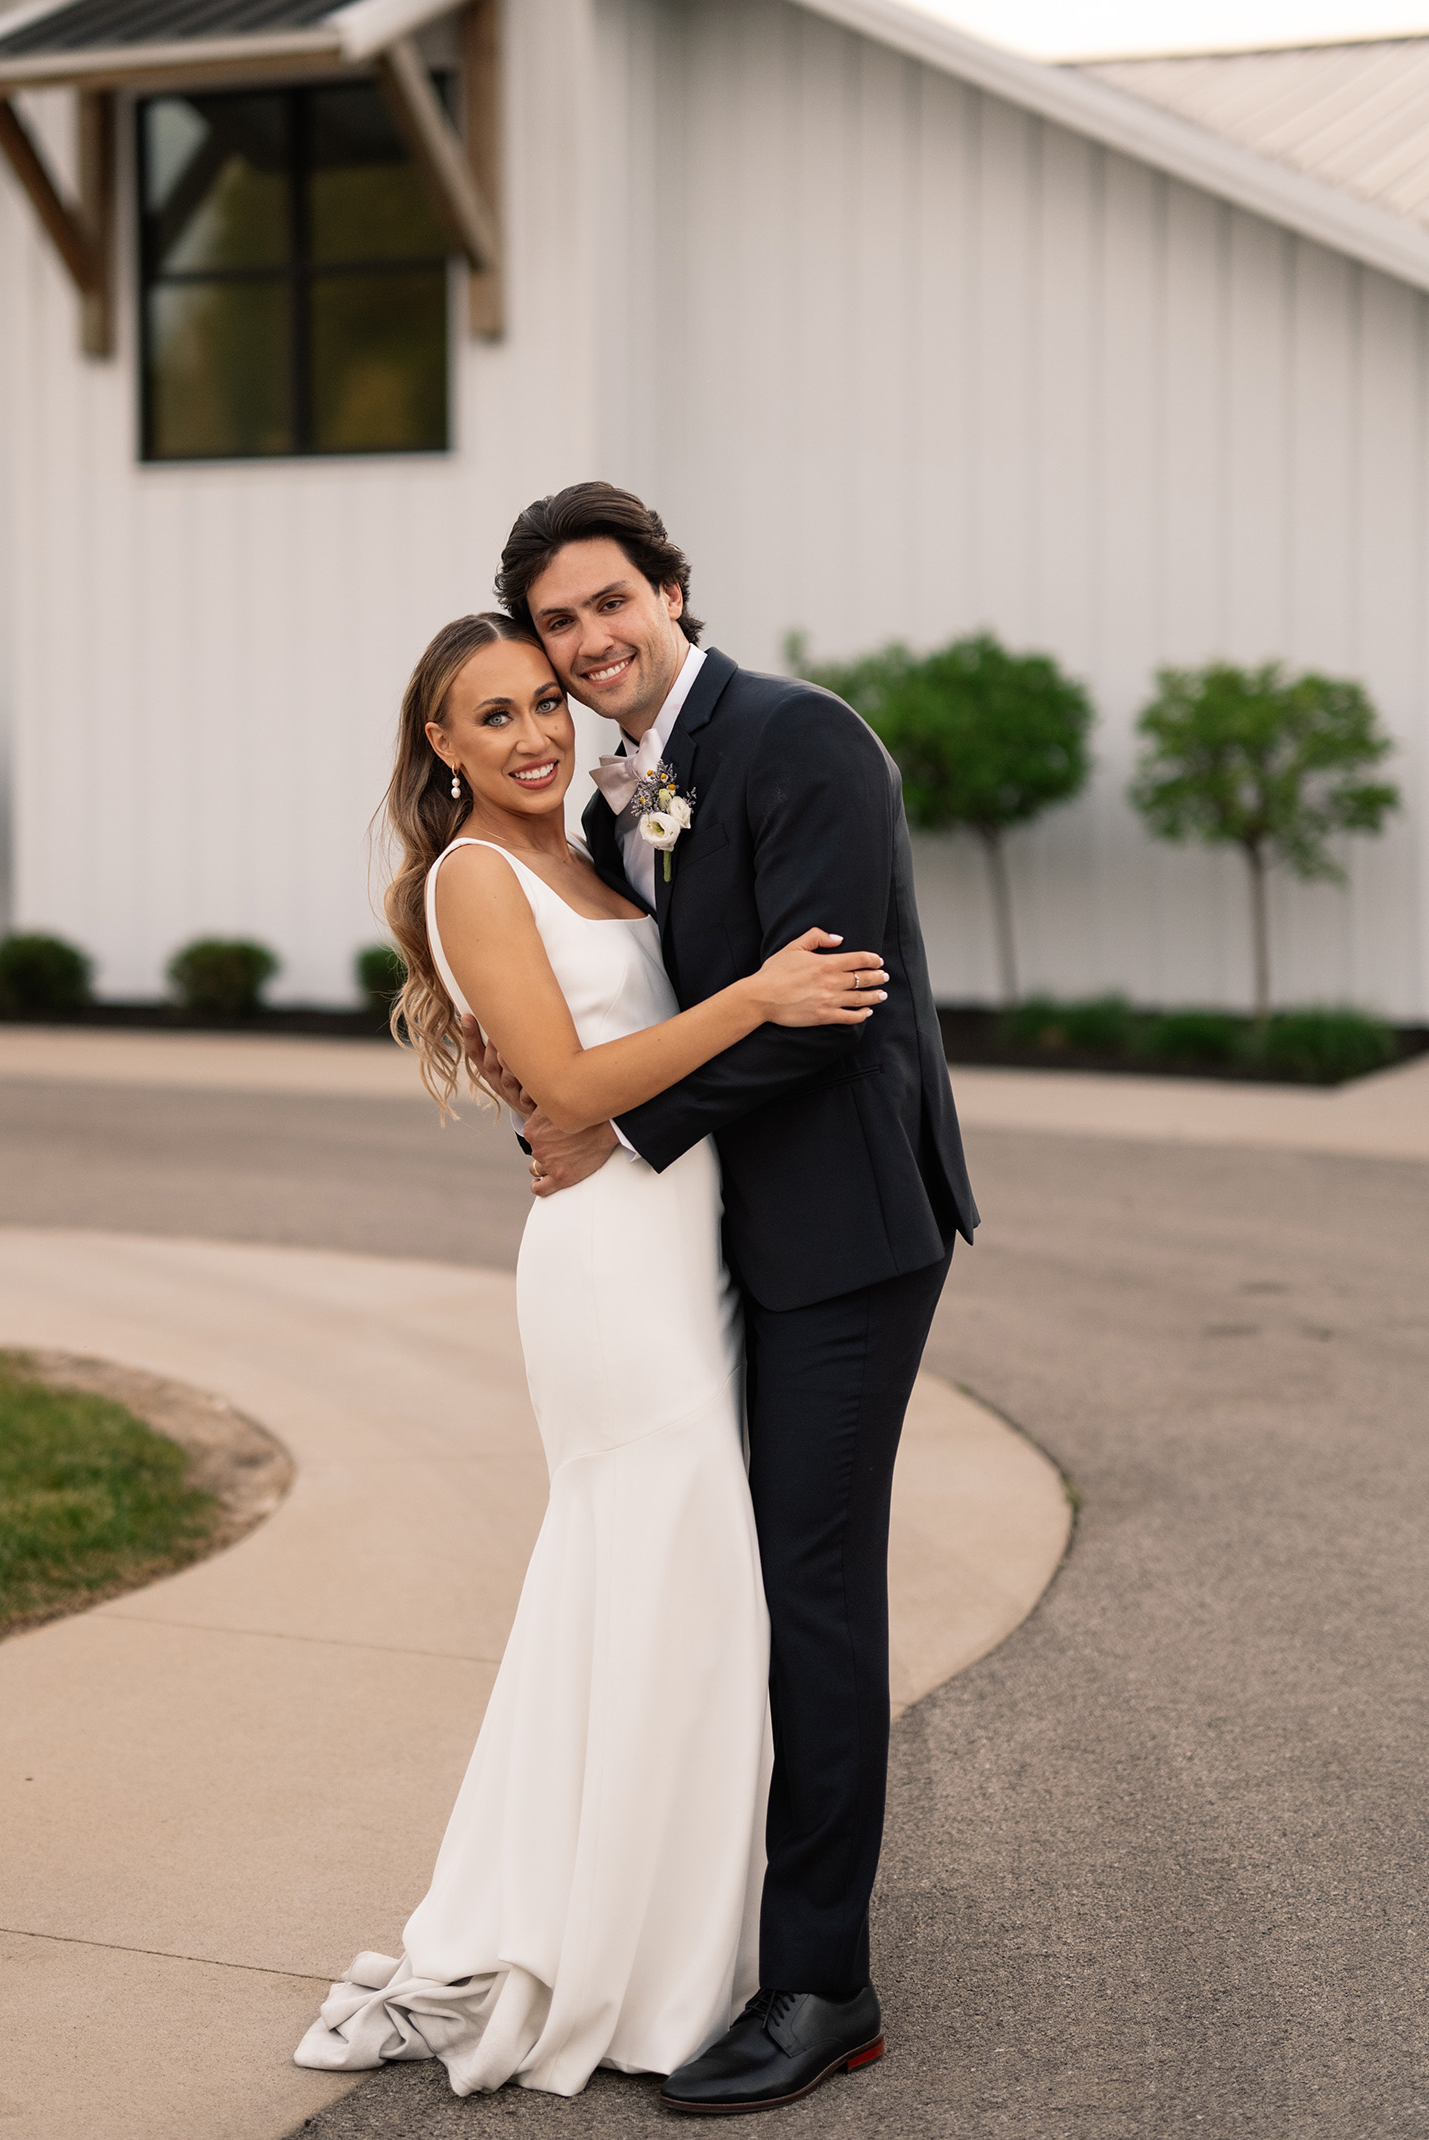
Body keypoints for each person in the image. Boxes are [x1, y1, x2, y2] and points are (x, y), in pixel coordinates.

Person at [294, 609, 889, 2101]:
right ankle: (622, 1964)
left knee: (689, 1603)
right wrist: (756, 994)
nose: (534, 733)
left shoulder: (601, 854)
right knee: (657, 1584)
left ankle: (679, 1942)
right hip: (614, 1271)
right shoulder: (475, 875)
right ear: (440, 744)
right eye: (491, 716)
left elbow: (589, 1066)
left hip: (694, 1248)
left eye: (545, 702)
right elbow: (564, 1081)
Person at [467, 484, 978, 2113]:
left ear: (674, 589)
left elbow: (826, 1011)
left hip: (843, 1236)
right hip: (718, 1243)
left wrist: (611, 1123)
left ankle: (825, 1983)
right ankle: (712, 1926)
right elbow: (628, 996)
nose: (591, 642)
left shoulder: (802, 738)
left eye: (612, 603)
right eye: (560, 624)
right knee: (730, 1584)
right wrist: (554, 1083)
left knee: (811, 1589)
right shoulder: (619, 793)